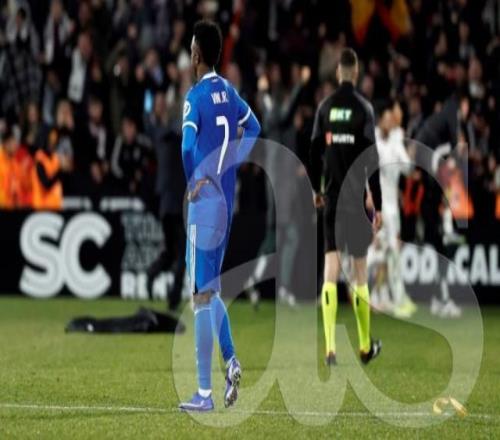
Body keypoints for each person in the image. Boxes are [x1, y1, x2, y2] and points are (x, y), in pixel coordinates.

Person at [178, 20, 261, 412]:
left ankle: (204, 394)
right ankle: (231, 362)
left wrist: (194, 180)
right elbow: (254, 128)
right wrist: (232, 163)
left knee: (199, 296)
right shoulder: (230, 92)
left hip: (205, 204)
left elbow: (186, 146)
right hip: (227, 203)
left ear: (196, 54)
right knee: (209, 290)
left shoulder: (195, 97)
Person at [309, 48, 383, 366]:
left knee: (330, 271)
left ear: (338, 72)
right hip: (354, 202)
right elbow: (372, 159)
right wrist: (376, 201)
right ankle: (365, 346)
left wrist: (316, 188)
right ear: (357, 73)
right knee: (360, 273)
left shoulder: (325, 107)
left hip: (332, 199)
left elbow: (313, 151)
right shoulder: (364, 109)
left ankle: (330, 348)